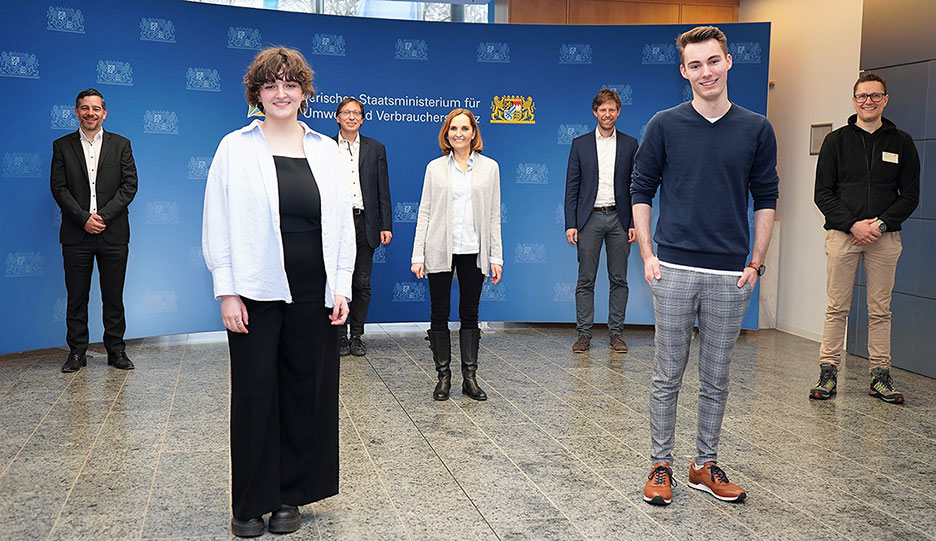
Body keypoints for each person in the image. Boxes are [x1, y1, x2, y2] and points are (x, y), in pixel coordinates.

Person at [202, 47, 354, 538]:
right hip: (255, 289)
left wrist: (341, 288)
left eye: (290, 84)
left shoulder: (327, 151)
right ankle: (249, 502)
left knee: (304, 392)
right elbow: (218, 222)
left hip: (315, 292)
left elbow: (342, 229)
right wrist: (227, 290)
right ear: (257, 94)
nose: (281, 93)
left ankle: (290, 495)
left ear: (305, 92)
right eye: (271, 85)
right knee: (253, 393)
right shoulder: (235, 147)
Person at [631, 26, 779, 505]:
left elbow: (767, 197)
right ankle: (661, 466)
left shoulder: (757, 128)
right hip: (673, 268)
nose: (706, 72)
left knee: (716, 378)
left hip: (730, 274)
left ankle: (703, 465)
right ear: (683, 71)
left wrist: (756, 263)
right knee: (666, 375)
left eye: (713, 61)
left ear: (729, 62)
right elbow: (641, 190)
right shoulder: (664, 125)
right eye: (695, 65)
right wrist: (650, 255)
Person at [810, 72, 920, 404]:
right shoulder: (836, 141)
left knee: (880, 310)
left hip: (884, 239)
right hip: (843, 236)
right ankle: (828, 374)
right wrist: (854, 225)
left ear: (885, 100)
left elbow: (910, 195)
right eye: (862, 96)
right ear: (854, 100)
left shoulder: (902, 141)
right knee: (836, 308)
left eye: (875, 96)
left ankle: (880, 376)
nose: (868, 101)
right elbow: (823, 194)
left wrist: (881, 225)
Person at [411, 109, 503, 402]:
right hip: (439, 248)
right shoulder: (434, 168)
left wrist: (496, 257)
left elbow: (493, 216)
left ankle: (470, 378)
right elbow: (424, 212)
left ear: (474, 133)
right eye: (453, 129)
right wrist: (418, 254)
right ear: (446, 134)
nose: (459, 133)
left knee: (470, 314)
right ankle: (443, 377)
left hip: (474, 251)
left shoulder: (490, 168)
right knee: (439, 312)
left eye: (465, 128)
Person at [51, 88, 138, 373]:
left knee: (113, 296)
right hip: (77, 235)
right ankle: (77, 353)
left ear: (105, 112)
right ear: (76, 112)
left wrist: (102, 217)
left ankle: (116, 351)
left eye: (96, 108)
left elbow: (129, 186)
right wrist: (83, 219)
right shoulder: (61, 146)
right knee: (77, 297)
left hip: (113, 234)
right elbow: (59, 188)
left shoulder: (121, 144)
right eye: (85, 108)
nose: (91, 113)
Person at [564, 88, 638, 354]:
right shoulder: (580, 144)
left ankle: (616, 334)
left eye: (612, 109)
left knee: (619, 279)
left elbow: (635, 187)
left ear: (618, 112)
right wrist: (570, 223)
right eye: (602, 109)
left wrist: (634, 223)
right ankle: (584, 334)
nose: (607, 114)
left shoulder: (630, 144)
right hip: (589, 219)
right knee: (586, 280)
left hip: (620, 219)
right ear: (595, 112)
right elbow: (572, 187)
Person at [332, 97, 392, 357]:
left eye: (357, 113)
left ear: (363, 118)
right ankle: (339, 336)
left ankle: (356, 335)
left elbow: (383, 189)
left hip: (364, 222)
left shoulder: (375, 148)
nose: (352, 117)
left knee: (362, 282)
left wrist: (385, 224)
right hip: (335, 223)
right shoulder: (324, 147)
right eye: (347, 112)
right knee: (336, 282)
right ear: (337, 117)